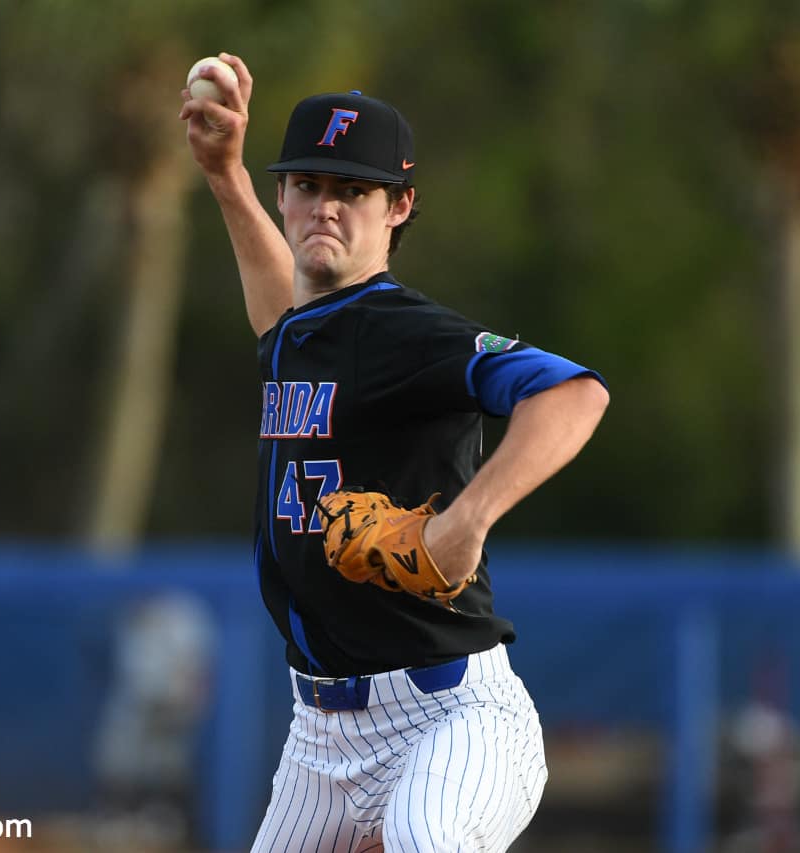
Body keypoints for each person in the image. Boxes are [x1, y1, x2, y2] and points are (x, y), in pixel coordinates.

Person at [180, 53, 610, 853]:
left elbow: (574, 393)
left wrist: (467, 519)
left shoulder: (405, 331)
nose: (326, 208)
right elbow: (284, 316)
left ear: (400, 206)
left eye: (354, 191)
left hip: (453, 716)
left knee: (425, 840)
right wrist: (224, 175)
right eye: (308, 185)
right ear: (284, 194)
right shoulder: (303, 334)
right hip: (320, 737)